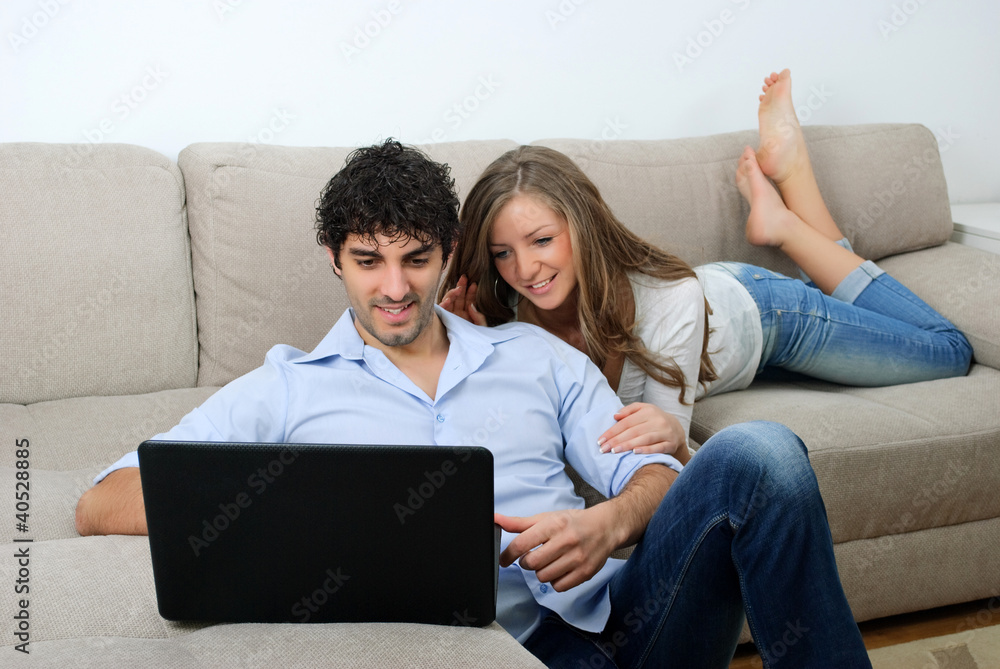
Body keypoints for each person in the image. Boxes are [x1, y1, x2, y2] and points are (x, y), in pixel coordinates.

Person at [75, 138, 872, 668]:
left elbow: (656, 471)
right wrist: (294, 510)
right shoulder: (288, 384)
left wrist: (609, 522)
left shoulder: (535, 355)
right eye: (368, 260)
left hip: (607, 633)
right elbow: (103, 499)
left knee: (763, 453)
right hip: (454, 653)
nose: (395, 287)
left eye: (417, 258)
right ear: (334, 259)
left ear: (449, 252)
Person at [440, 69, 973, 458]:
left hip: (768, 315)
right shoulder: (498, 311)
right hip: (719, 330)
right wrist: (472, 351)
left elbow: (670, 449)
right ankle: (786, 213)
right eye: (502, 253)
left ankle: (787, 213)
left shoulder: (666, 301)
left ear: (582, 227)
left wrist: (672, 436)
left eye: (541, 241)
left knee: (948, 350)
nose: (525, 270)